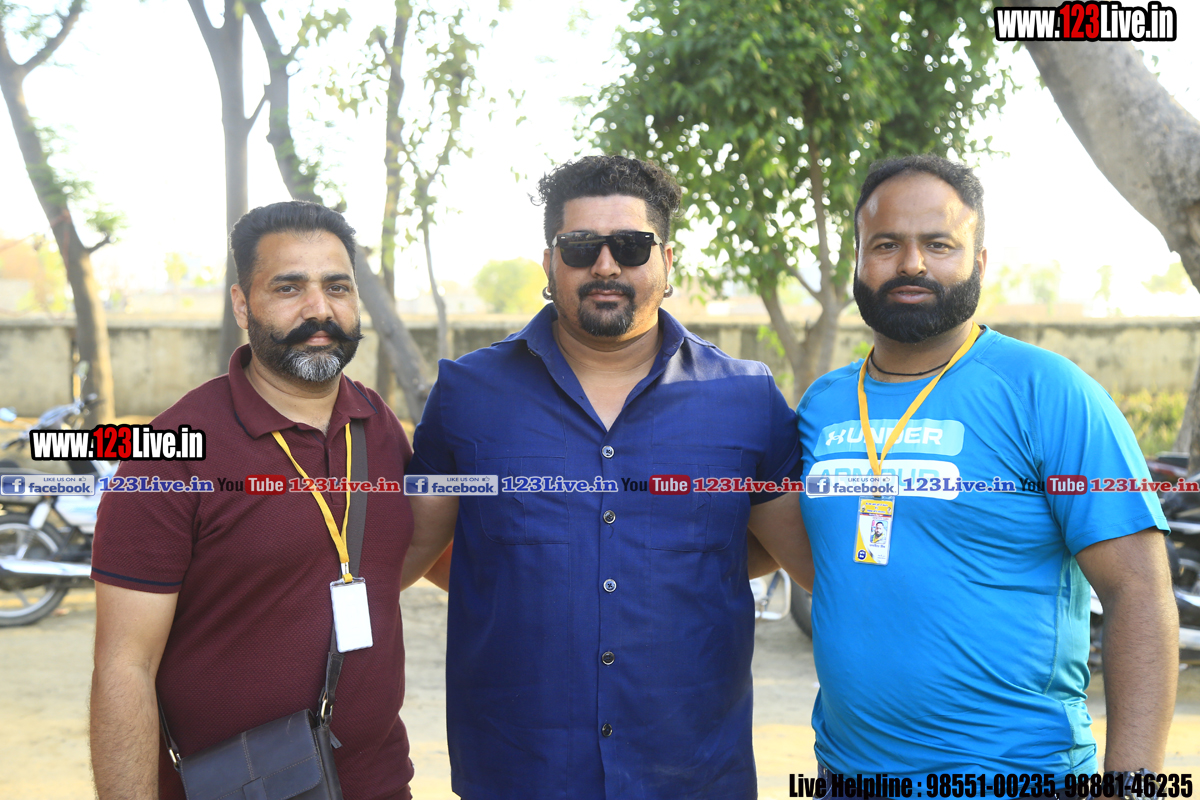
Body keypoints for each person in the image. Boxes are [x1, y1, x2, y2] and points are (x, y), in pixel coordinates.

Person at [401, 154, 811, 799]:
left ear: (666, 262)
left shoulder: (747, 399)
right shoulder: (467, 394)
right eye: (580, 247)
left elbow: (792, 554)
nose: (605, 265)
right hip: (519, 773)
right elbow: (412, 551)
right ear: (549, 263)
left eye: (630, 246)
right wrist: (514, 578)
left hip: (693, 774)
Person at [797, 154, 1177, 779]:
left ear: (978, 262)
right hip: (845, 774)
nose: (911, 263)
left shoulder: (1049, 391)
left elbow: (1137, 591)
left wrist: (1132, 787)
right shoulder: (823, 404)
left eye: (938, 244)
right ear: (857, 260)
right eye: (886, 244)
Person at [90, 201, 415, 800]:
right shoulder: (169, 453)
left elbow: (411, 558)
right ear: (242, 305)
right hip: (235, 787)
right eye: (289, 288)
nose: (319, 310)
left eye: (337, 287)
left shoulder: (378, 425)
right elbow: (123, 667)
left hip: (381, 783)